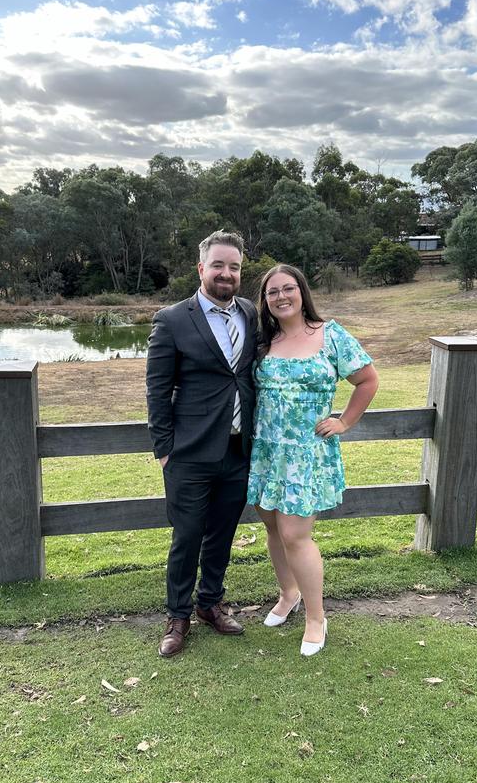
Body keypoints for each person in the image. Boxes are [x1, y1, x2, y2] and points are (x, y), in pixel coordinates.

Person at [247, 264, 379, 657]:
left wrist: (345, 421)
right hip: (267, 451)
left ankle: (316, 616)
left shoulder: (330, 335)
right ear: (265, 301)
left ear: (302, 292)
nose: (281, 296)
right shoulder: (261, 342)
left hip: (306, 454)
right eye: (273, 292)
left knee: (295, 535)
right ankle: (288, 595)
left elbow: (367, 380)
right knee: (272, 527)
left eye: (288, 288)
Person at [146, 230, 258, 658]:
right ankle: (177, 616)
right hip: (189, 453)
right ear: (201, 269)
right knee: (187, 534)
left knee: (223, 533)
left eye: (234, 266)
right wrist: (164, 448)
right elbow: (157, 389)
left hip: (237, 451)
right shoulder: (172, 319)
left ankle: (210, 603)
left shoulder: (250, 312)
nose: (226, 273)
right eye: (218, 265)